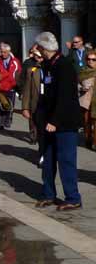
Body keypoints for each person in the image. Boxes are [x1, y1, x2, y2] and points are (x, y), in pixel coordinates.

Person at [34, 31, 82, 211]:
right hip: (48, 121)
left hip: (64, 122)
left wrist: (55, 121)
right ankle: (48, 193)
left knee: (66, 159)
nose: (37, 50)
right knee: (48, 159)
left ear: (45, 47)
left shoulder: (64, 65)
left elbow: (65, 98)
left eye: (39, 47)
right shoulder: (47, 65)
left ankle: (73, 197)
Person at [21, 45, 45, 163]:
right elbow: (27, 90)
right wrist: (25, 107)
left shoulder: (54, 70)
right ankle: (42, 154)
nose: (40, 60)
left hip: (50, 106)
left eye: (41, 57)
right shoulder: (32, 71)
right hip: (37, 105)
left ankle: (48, 153)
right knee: (40, 131)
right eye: (38, 57)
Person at [0, 42, 21, 130]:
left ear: (9, 52)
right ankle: (0, 123)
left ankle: (7, 120)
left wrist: (9, 85)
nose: (3, 54)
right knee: (1, 104)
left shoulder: (15, 62)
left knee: (10, 105)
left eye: (5, 52)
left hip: (10, 86)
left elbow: (15, 76)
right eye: (2, 52)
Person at [78, 51, 96, 150]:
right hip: (86, 101)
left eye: (93, 59)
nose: (90, 61)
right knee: (86, 122)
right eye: (88, 59)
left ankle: (95, 142)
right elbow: (77, 83)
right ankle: (88, 139)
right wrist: (81, 88)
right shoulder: (82, 71)